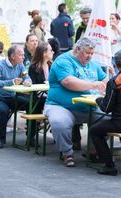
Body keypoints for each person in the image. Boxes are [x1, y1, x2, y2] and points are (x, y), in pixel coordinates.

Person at [44, 38, 107, 167]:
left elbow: (105, 79)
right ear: (77, 49)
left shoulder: (93, 64)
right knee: (59, 122)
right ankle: (67, 153)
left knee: (107, 119)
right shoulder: (63, 61)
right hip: (61, 105)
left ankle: (93, 150)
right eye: (87, 53)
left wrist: (105, 85)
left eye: (91, 53)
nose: (90, 56)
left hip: (90, 106)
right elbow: (68, 82)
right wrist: (93, 85)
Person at [0, 45, 32, 149]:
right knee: (4, 110)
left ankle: (31, 137)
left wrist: (27, 81)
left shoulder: (20, 65)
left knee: (32, 104)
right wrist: (11, 82)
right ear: (13, 56)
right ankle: (0, 139)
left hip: (12, 97)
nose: (23, 57)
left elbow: (27, 77)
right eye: (21, 55)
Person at [28, 42, 54, 141]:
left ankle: (56, 130)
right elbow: (33, 86)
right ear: (44, 53)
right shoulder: (33, 67)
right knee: (36, 106)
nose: (53, 52)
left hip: (50, 95)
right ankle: (31, 137)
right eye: (50, 50)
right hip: (39, 96)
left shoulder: (52, 65)